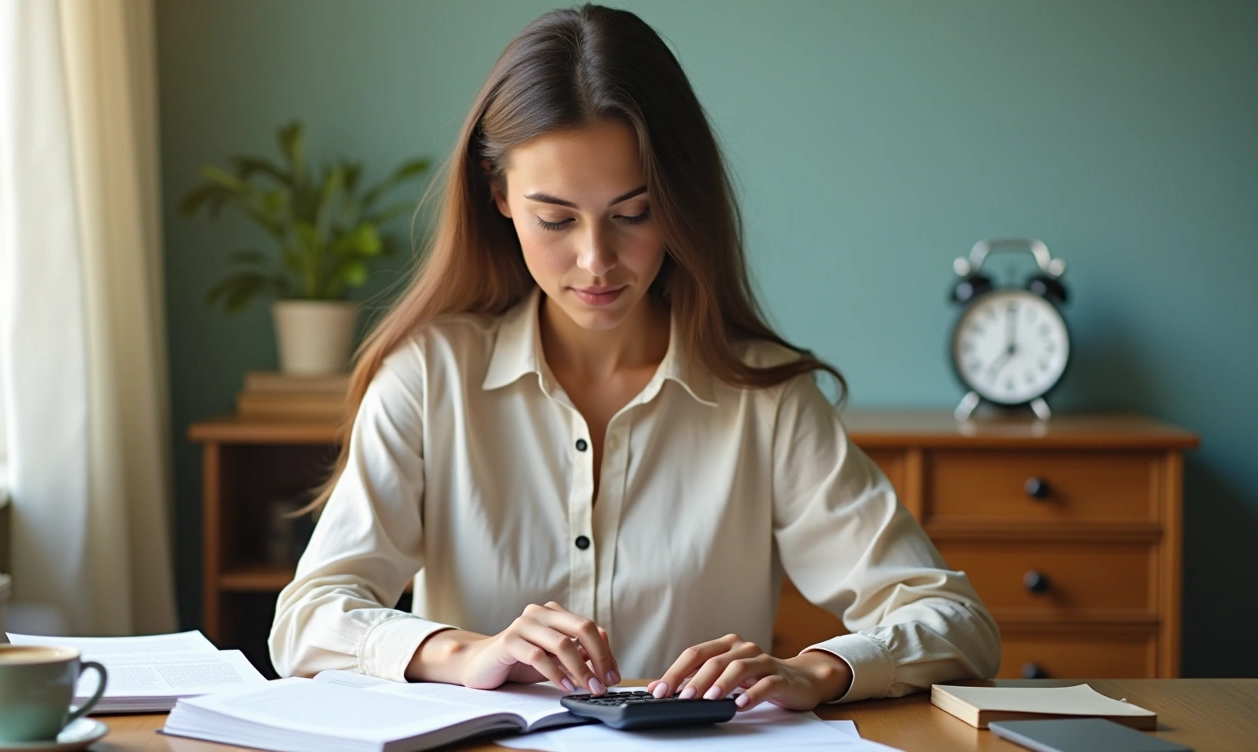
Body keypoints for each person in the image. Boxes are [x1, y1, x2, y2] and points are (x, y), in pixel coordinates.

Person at [269, 3, 1000, 713]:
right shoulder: (430, 377)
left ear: (678, 201)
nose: (596, 260)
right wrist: (464, 653)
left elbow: (957, 623)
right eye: (555, 218)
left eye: (633, 213)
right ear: (499, 196)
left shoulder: (766, 400)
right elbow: (307, 619)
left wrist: (816, 671)